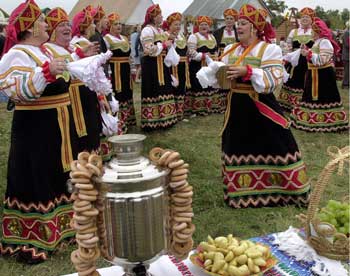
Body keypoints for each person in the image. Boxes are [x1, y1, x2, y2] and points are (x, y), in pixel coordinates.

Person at [0, 0, 79, 262]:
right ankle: (35, 237)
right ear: (32, 27)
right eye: (43, 22)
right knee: (38, 174)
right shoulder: (16, 54)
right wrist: (45, 73)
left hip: (55, 124)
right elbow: (15, 90)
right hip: (35, 128)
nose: (47, 25)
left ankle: (63, 230)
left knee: (56, 172)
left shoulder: (44, 51)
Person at [220, 4, 310, 208]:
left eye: (243, 24)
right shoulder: (229, 49)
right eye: (237, 24)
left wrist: (249, 72)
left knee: (276, 143)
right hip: (236, 105)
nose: (238, 27)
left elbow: (274, 78)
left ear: (254, 28)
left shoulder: (269, 49)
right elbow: (221, 76)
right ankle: (241, 194)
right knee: (237, 144)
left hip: (260, 105)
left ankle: (284, 190)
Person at [45, 7, 102, 153]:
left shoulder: (75, 46)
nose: (67, 28)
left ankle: (92, 165)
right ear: (52, 31)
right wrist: (78, 55)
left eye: (68, 24)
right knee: (76, 137)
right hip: (70, 101)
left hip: (86, 98)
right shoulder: (48, 49)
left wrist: (100, 95)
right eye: (61, 25)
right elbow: (62, 69)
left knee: (92, 130)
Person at [290, 18, 349, 132]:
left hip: (323, 76)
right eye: (312, 31)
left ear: (319, 32)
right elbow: (315, 56)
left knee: (324, 97)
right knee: (310, 97)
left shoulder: (325, 42)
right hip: (314, 74)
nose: (312, 34)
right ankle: (310, 119)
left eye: (314, 32)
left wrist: (309, 54)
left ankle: (328, 122)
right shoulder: (318, 42)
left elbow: (322, 60)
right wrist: (307, 52)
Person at [140, 4, 177, 130]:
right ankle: (153, 121)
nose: (161, 16)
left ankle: (166, 119)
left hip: (162, 64)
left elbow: (166, 44)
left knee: (164, 88)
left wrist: (171, 40)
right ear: (153, 17)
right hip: (151, 65)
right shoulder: (147, 30)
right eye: (159, 14)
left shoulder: (160, 31)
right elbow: (148, 49)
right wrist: (164, 45)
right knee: (154, 89)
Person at [104, 12, 136, 133]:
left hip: (125, 70)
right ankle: (118, 124)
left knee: (128, 93)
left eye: (120, 24)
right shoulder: (106, 39)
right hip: (115, 71)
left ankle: (127, 120)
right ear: (110, 26)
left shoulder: (125, 38)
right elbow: (105, 59)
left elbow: (130, 56)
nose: (119, 26)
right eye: (115, 24)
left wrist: (133, 70)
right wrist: (108, 74)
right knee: (119, 94)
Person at [278, 7, 315, 111]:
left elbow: (317, 47)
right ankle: (290, 103)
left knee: (307, 80)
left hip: (309, 61)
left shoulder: (314, 32)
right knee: (293, 80)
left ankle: (305, 103)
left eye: (307, 17)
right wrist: (286, 56)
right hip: (295, 61)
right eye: (303, 17)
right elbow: (287, 46)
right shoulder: (294, 32)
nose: (304, 19)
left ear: (312, 19)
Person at [187, 16, 222, 114]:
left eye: (206, 24)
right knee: (199, 85)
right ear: (198, 26)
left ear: (209, 26)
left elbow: (215, 50)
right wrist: (202, 56)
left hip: (209, 66)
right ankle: (199, 109)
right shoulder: (194, 36)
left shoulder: (212, 37)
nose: (204, 26)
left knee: (210, 85)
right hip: (198, 66)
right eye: (201, 24)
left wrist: (215, 57)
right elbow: (190, 52)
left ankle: (210, 107)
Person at [164, 12, 190, 121]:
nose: (178, 27)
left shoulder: (182, 36)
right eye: (175, 24)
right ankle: (172, 113)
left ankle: (180, 113)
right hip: (172, 65)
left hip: (183, 65)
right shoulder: (166, 35)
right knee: (173, 86)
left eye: (179, 24)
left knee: (181, 87)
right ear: (169, 25)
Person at [342, 21, 349, 89]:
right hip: (346, 56)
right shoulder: (347, 32)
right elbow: (347, 45)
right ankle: (345, 84)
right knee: (347, 71)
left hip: (347, 55)